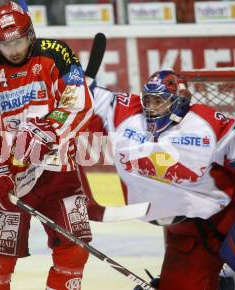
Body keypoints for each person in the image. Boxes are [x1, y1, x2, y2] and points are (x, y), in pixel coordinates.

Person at [0, 2, 94, 289]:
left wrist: (48, 129)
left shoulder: (56, 53)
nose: (14, 50)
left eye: (19, 41)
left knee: (74, 248)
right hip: (12, 175)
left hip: (60, 171)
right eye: (4, 44)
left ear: (30, 32)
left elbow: (77, 102)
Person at [87, 69, 235, 290]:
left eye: (160, 101)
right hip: (190, 233)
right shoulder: (129, 112)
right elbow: (84, 93)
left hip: (226, 219)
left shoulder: (208, 124)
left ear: (179, 102)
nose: (152, 108)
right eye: (149, 100)